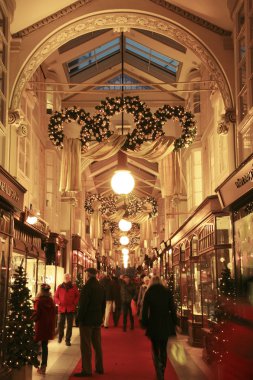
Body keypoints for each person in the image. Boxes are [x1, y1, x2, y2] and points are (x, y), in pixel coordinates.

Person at [142, 276, 177, 380]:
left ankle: (158, 370)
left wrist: (145, 323)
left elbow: (144, 310)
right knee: (163, 347)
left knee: (155, 347)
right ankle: (162, 368)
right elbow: (172, 308)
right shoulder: (167, 292)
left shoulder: (149, 292)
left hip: (154, 322)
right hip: (165, 322)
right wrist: (174, 322)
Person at [74, 267, 106, 377]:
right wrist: (101, 317)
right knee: (97, 345)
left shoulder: (87, 287)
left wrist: (79, 318)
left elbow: (83, 305)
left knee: (86, 346)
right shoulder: (100, 287)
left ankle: (87, 370)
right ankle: (99, 367)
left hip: (87, 320)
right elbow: (103, 305)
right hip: (97, 320)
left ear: (88, 275)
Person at [33, 283, 56, 375]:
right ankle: (43, 367)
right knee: (44, 346)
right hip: (48, 326)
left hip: (40, 326)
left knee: (34, 345)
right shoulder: (51, 301)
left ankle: (35, 363)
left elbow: (37, 314)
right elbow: (54, 313)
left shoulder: (39, 301)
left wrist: (29, 319)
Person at [54, 273, 79, 346]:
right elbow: (55, 297)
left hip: (70, 308)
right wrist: (59, 302)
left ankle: (67, 339)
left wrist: (74, 303)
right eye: (65, 277)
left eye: (68, 277)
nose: (66, 278)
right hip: (61, 308)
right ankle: (60, 336)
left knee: (69, 325)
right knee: (60, 324)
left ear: (70, 278)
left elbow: (77, 296)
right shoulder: (59, 287)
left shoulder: (73, 287)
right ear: (63, 278)